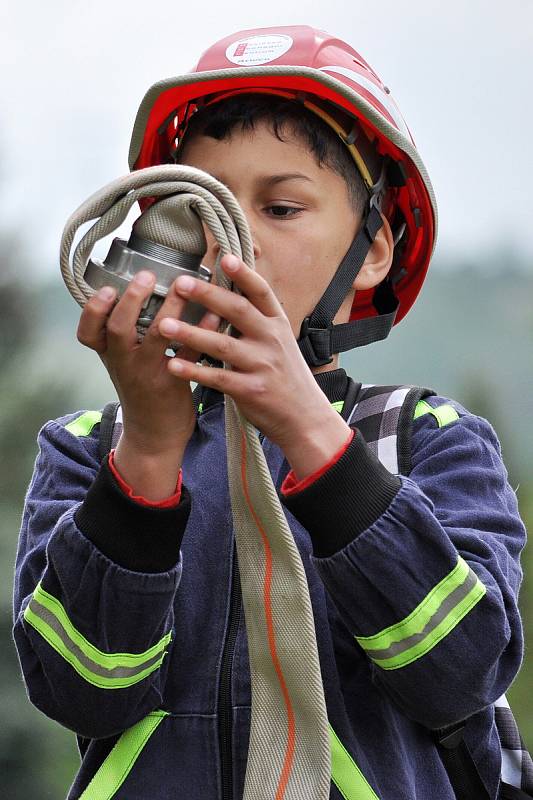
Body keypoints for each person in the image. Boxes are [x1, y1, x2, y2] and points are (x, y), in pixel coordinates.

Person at [13, 25, 529, 800]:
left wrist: (316, 442)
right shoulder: (92, 451)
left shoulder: (425, 440)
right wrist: (150, 449)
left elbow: (461, 672)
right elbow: (82, 690)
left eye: (280, 207)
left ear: (374, 252)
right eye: (199, 207)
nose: (231, 241)